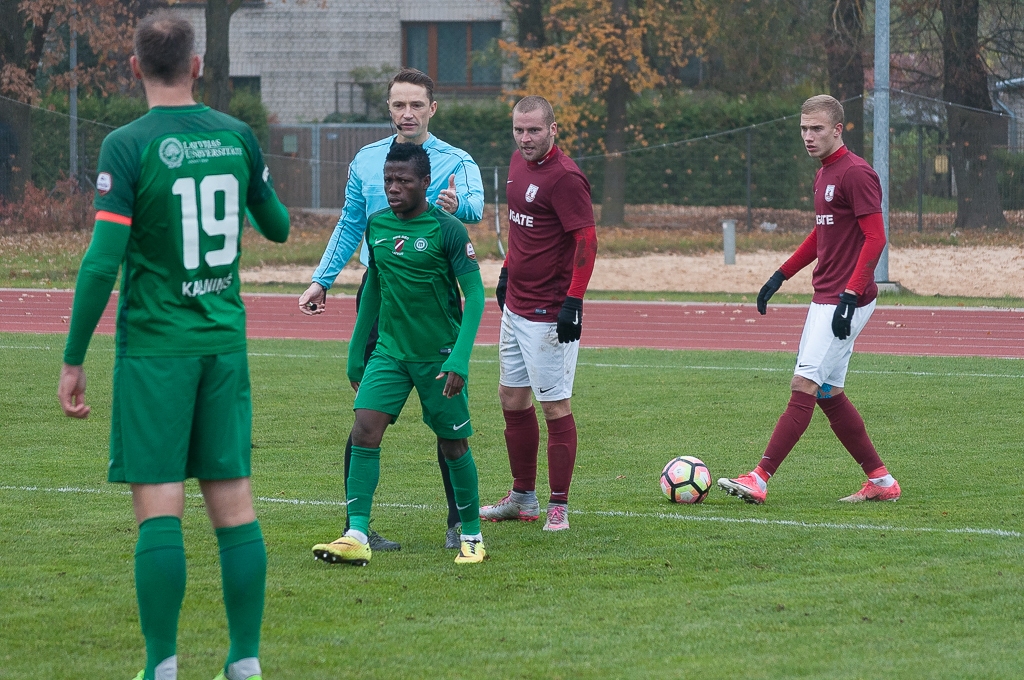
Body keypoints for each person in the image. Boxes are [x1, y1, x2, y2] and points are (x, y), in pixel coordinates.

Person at [56, 13, 289, 680]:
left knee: (159, 506)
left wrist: (73, 358)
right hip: (222, 346)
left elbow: (103, 264)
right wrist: (251, 176)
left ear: (134, 68)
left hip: (156, 351)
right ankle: (244, 662)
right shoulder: (236, 135)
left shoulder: (126, 146)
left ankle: (162, 667)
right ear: (195, 66)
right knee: (235, 507)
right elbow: (274, 226)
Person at [298, 68, 484, 551]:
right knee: (366, 415)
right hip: (379, 292)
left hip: (433, 300)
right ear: (389, 108)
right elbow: (350, 224)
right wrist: (322, 280)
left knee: (447, 419)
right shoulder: (365, 160)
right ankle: (355, 525)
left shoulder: (456, 161)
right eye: (399, 105)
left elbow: (476, 208)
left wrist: (456, 205)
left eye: (416, 105)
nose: (407, 113)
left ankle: (457, 524)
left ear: (432, 109)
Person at [718, 94, 900, 505]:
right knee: (827, 392)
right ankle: (882, 481)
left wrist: (851, 294)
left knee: (804, 383)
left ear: (838, 129)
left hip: (843, 298)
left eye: (816, 128)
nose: (808, 136)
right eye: (803, 128)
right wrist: (780, 275)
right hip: (828, 296)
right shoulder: (823, 175)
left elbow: (877, 238)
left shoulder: (856, 173)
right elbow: (823, 234)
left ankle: (759, 478)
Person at [479, 95, 598, 532]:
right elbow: (519, 229)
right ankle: (523, 498)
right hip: (516, 308)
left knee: (555, 406)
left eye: (533, 130)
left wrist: (574, 301)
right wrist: (507, 271)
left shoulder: (566, 178)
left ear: (553, 130)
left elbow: (586, 242)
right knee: (511, 399)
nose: (525, 138)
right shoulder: (516, 164)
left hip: (550, 314)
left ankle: (559, 505)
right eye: (518, 130)